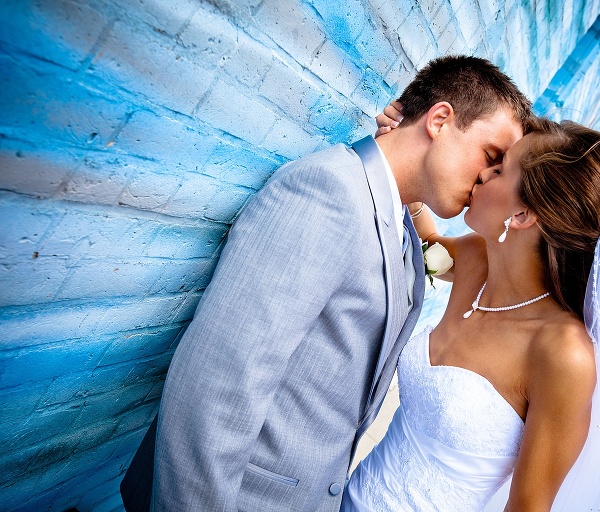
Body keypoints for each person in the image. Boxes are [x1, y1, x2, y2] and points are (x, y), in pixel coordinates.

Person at [119, 55, 532, 512]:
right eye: (491, 156)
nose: (488, 179)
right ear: (439, 119)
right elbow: (216, 387)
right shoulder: (329, 192)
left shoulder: (398, 221)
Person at [342, 116, 600, 511]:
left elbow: (528, 506)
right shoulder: (476, 262)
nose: (482, 173)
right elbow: (427, 246)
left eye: (500, 168)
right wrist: (407, 150)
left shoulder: (563, 354)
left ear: (523, 215)